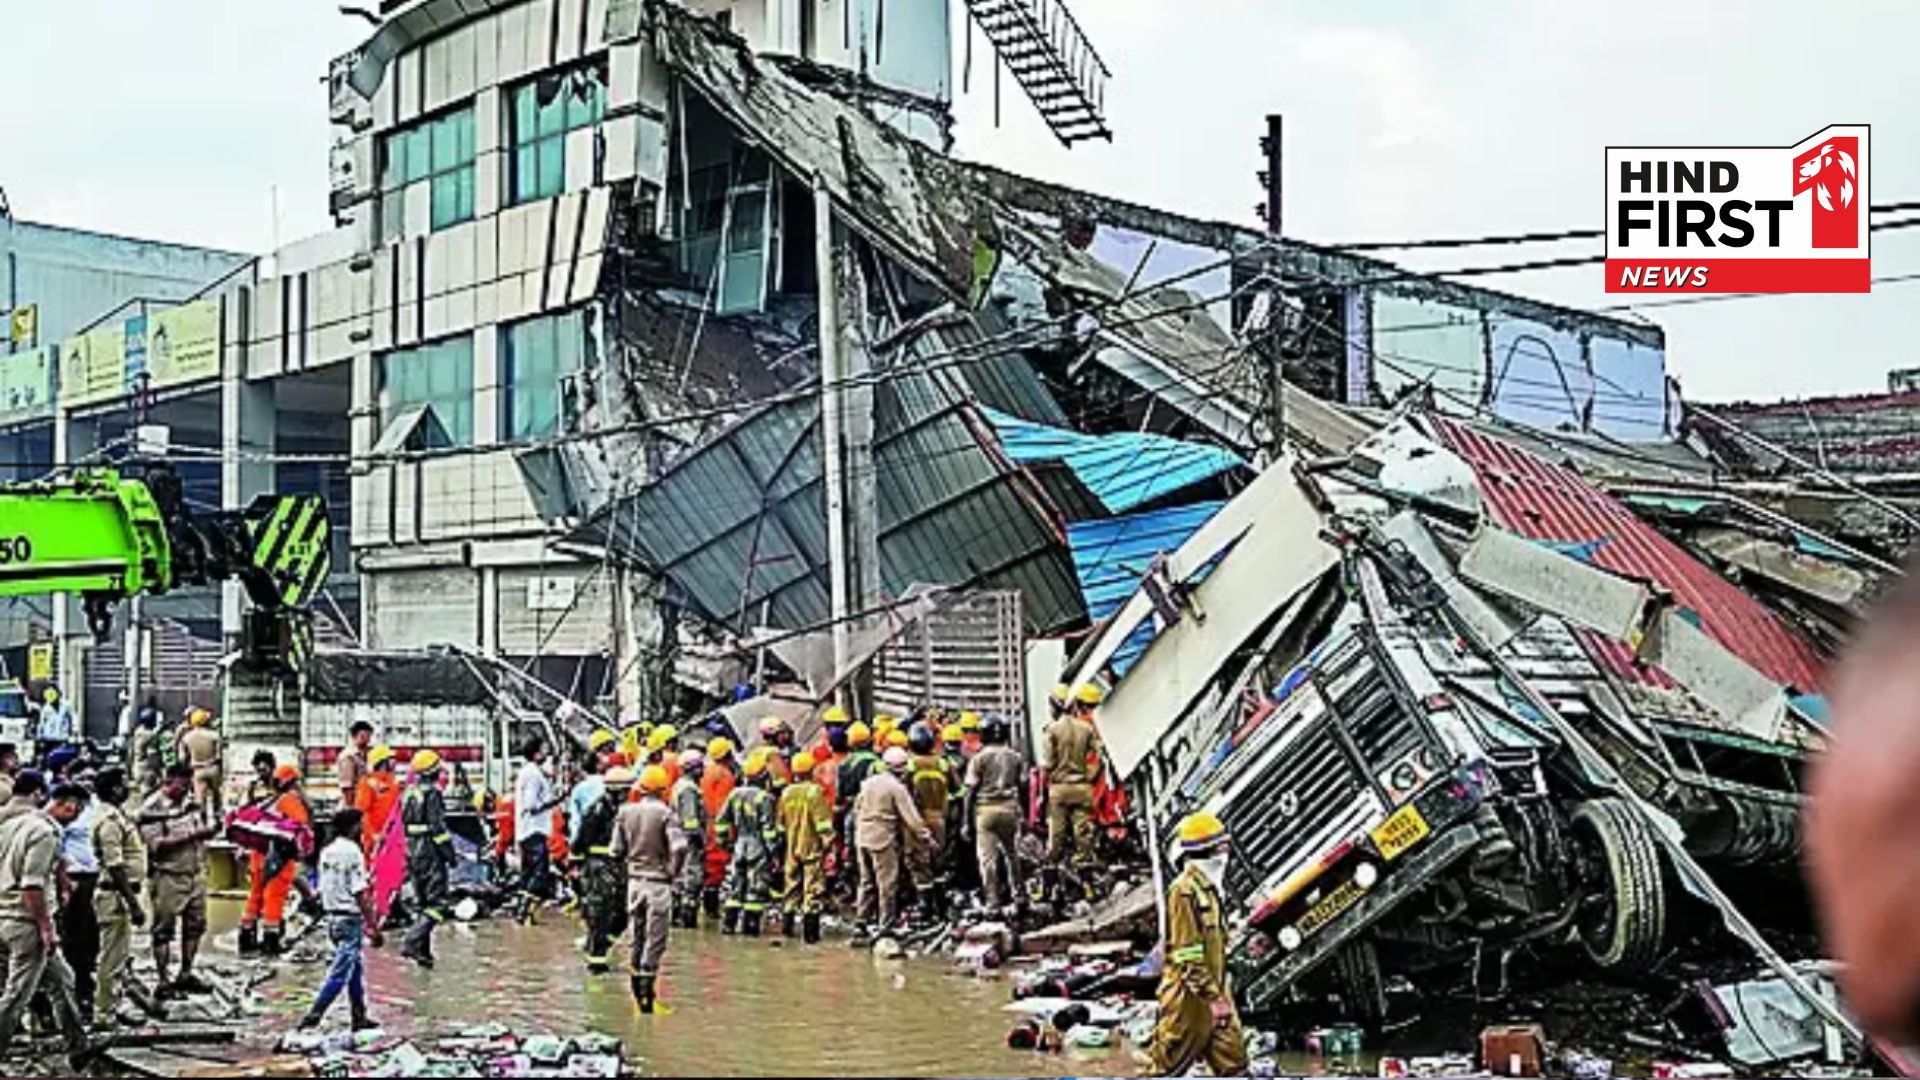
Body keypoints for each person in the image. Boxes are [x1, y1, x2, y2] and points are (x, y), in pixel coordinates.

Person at [1147, 813, 1248, 1076]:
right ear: (1206, 850)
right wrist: (1213, 998)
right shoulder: (1184, 891)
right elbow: (1187, 953)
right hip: (1188, 1001)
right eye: (1222, 845)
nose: (1227, 851)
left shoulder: (1211, 889)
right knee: (1166, 1069)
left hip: (1216, 991)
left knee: (1235, 1066)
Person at [0, 774, 88, 1062]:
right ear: (68, 805)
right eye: (77, 809)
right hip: (25, 922)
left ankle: (78, 1046)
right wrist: (46, 928)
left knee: (63, 980)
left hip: (7, 914)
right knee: (16, 997)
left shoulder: (15, 825)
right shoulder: (44, 833)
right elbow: (32, 885)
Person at [610, 763, 687, 1014]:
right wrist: (672, 873)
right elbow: (679, 847)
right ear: (664, 789)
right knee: (655, 941)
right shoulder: (666, 814)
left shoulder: (625, 812)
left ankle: (636, 998)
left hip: (634, 882)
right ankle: (647, 1001)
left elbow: (616, 851)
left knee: (637, 937)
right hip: (657, 884)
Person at [297, 807, 381, 1032]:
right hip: (349, 919)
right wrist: (373, 925)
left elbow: (323, 887)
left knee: (355, 969)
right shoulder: (353, 852)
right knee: (340, 973)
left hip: (332, 917)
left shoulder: (327, 850)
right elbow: (360, 893)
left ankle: (359, 1016)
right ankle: (314, 1016)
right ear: (354, 827)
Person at [140, 763, 214, 998]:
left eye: (188, 783)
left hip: (194, 873)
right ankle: (163, 980)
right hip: (167, 875)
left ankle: (186, 973)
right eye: (181, 784)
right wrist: (193, 835)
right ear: (168, 781)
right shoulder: (152, 808)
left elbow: (202, 830)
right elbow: (156, 846)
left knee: (196, 925)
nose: (185, 789)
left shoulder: (191, 803)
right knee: (163, 929)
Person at [854, 747, 931, 939]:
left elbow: (857, 808)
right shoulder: (897, 788)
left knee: (866, 882)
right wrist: (926, 837)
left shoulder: (868, 783)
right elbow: (911, 818)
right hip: (882, 839)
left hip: (862, 836)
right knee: (887, 883)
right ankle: (885, 926)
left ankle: (860, 922)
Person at [91, 767, 146, 1029]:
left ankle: (110, 1006)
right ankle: (104, 1015)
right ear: (114, 789)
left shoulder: (117, 816)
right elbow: (115, 865)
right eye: (124, 784)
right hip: (115, 895)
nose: (128, 789)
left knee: (118, 957)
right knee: (111, 959)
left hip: (119, 893)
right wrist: (134, 905)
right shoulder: (109, 821)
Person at [1043, 682, 1106, 899]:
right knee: (1083, 836)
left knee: (1056, 838)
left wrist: (1044, 794)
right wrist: (1088, 776)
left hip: (1059, 789)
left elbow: (1046, 765)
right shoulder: (1087, 728)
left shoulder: (1052, 730)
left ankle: (1047, 887)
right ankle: (1087, 885)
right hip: (1082, 788)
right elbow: (1099, 756)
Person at [240, 764, 311, 957]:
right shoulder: (289, 801)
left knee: (255, 896)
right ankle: (270, 943)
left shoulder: (265, 801)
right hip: (278, 859)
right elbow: (301, 827)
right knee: (274, 898)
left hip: (258, 857)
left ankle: (246, 939)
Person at [52, 752, 101, 1011]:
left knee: (93, 936)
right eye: (83, 778)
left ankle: (88, 986)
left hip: (97, 878)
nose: (89, 782)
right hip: (73, 879)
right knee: (73, 937)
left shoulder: (97, 807)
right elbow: (57, 848)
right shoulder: (63, 812)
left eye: (92, 778)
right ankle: (76, 991)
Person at [572, 766, 631, 974]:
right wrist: (578, 873)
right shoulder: (596, 811)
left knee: (623, 914)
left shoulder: (624, 810)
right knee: (601, 913)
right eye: (625, 791)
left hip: (618, 865)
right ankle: (596, 961)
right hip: (597, 866)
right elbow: (579, 844)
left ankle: (601, 946)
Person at [966, 715, 1028, 912]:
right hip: (1010, 809)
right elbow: (1023, 786)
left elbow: (970, 792)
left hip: (986, 812)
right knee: (1013, 856)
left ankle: (993, 903)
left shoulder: (979, 758)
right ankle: (1020, 897)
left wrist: (965, 822)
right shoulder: (1015, 757)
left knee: (988, 860)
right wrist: (1024, 813)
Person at [716, 749, 778, 936]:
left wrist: (724, 842)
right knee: (756, 890)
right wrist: (774, 852)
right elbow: (768, 830)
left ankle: (729, 925)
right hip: (757, 847)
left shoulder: (735, 794)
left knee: (735, 888)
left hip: (739, 846)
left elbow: (721, 821)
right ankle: (750, 929)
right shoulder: (764, 798)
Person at [400, 750, 452, 968]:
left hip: (412, 849)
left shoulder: (408, 792)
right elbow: (438, 828)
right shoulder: (433, 794)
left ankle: (423, 953)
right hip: (429, 851)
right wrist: (449, 853)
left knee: (422, 904)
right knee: (438, 904)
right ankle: (412, 941)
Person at [777, 750, 833, 943]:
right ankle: (810, 936)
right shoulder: (814, 792)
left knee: (790, 889)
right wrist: (828, 846)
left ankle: (787, 930)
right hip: (811, 848)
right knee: (813, 890)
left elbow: (780, 824)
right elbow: (823, 824)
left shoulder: (786, 793)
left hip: (791, 848)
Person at [904, 722, 958, 919]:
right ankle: (942, 908)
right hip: (940, 819)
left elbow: (903, 795)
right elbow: (958, 790)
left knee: (919, 864)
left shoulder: (910, 765)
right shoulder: (944, 763)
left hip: (917, 821)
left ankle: (925, 909)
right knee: (938, 862)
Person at [511, 739, 560, 923]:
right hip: (534, 830)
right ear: (536, 753)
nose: (546, 754)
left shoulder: (528, 772)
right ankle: (524, 909)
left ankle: (523, 913)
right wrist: (555, 801)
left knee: (528, 873)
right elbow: (532, 805)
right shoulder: (533, 775)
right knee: (540, 872)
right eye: (544, 750)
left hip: (527, 830)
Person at [698, 737, 737, 919]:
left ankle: (708, 905)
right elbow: (725, 806)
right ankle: (711, 908)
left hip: (706, 824)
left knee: (708, 867)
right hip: (717, 827)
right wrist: (728, 832)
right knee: (716, 868)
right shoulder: (725, 776)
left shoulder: (705, 772)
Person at [669, 749, 707, 929]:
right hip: (689, 842)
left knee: (679, 881)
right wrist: (699, 841)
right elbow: (690, 821)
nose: (704, 770)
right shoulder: (689, 790)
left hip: (678, 840)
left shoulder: (679, 785)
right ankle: (686, 921)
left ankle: (675, 918)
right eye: (700, 767)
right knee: (691, 882)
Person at [353, 746, 402, 856]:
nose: (395, 761)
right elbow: (360, 813)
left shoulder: (393, 783)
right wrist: (373, 834)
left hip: (392, 836)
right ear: (382, 762)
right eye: (391, 758)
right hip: (375, 839)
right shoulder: (367, 783)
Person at [567, 735, 611, 850]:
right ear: (598, 766)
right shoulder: (608, 783)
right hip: (608, 837)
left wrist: (574, 842)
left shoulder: (578, 789)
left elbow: (575, 819)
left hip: (586, 840)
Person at [176, 709, 223, 818]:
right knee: (216, 796)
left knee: (200, 799)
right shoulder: (214, 735)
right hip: (213, 768)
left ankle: (202, 822)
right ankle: (218, 820)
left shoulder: (187, 738)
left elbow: (182, 758)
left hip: (197, 770)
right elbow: (219, 756)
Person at [336, 721, 374, 805]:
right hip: (353, 804)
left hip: (363, 802)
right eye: (363, 736)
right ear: (354, 736)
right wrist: (352, 810)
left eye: (369, 736)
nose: (367, 740)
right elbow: (347, 787)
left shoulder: (366, 754)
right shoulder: (348, 756)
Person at [33, 685, 75, 760]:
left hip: (62, 739)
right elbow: (41, 724)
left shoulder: (66, 706)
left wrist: (73, 734)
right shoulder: (46, 708)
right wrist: (39, 738)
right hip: (49, 739)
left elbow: (72, 719)